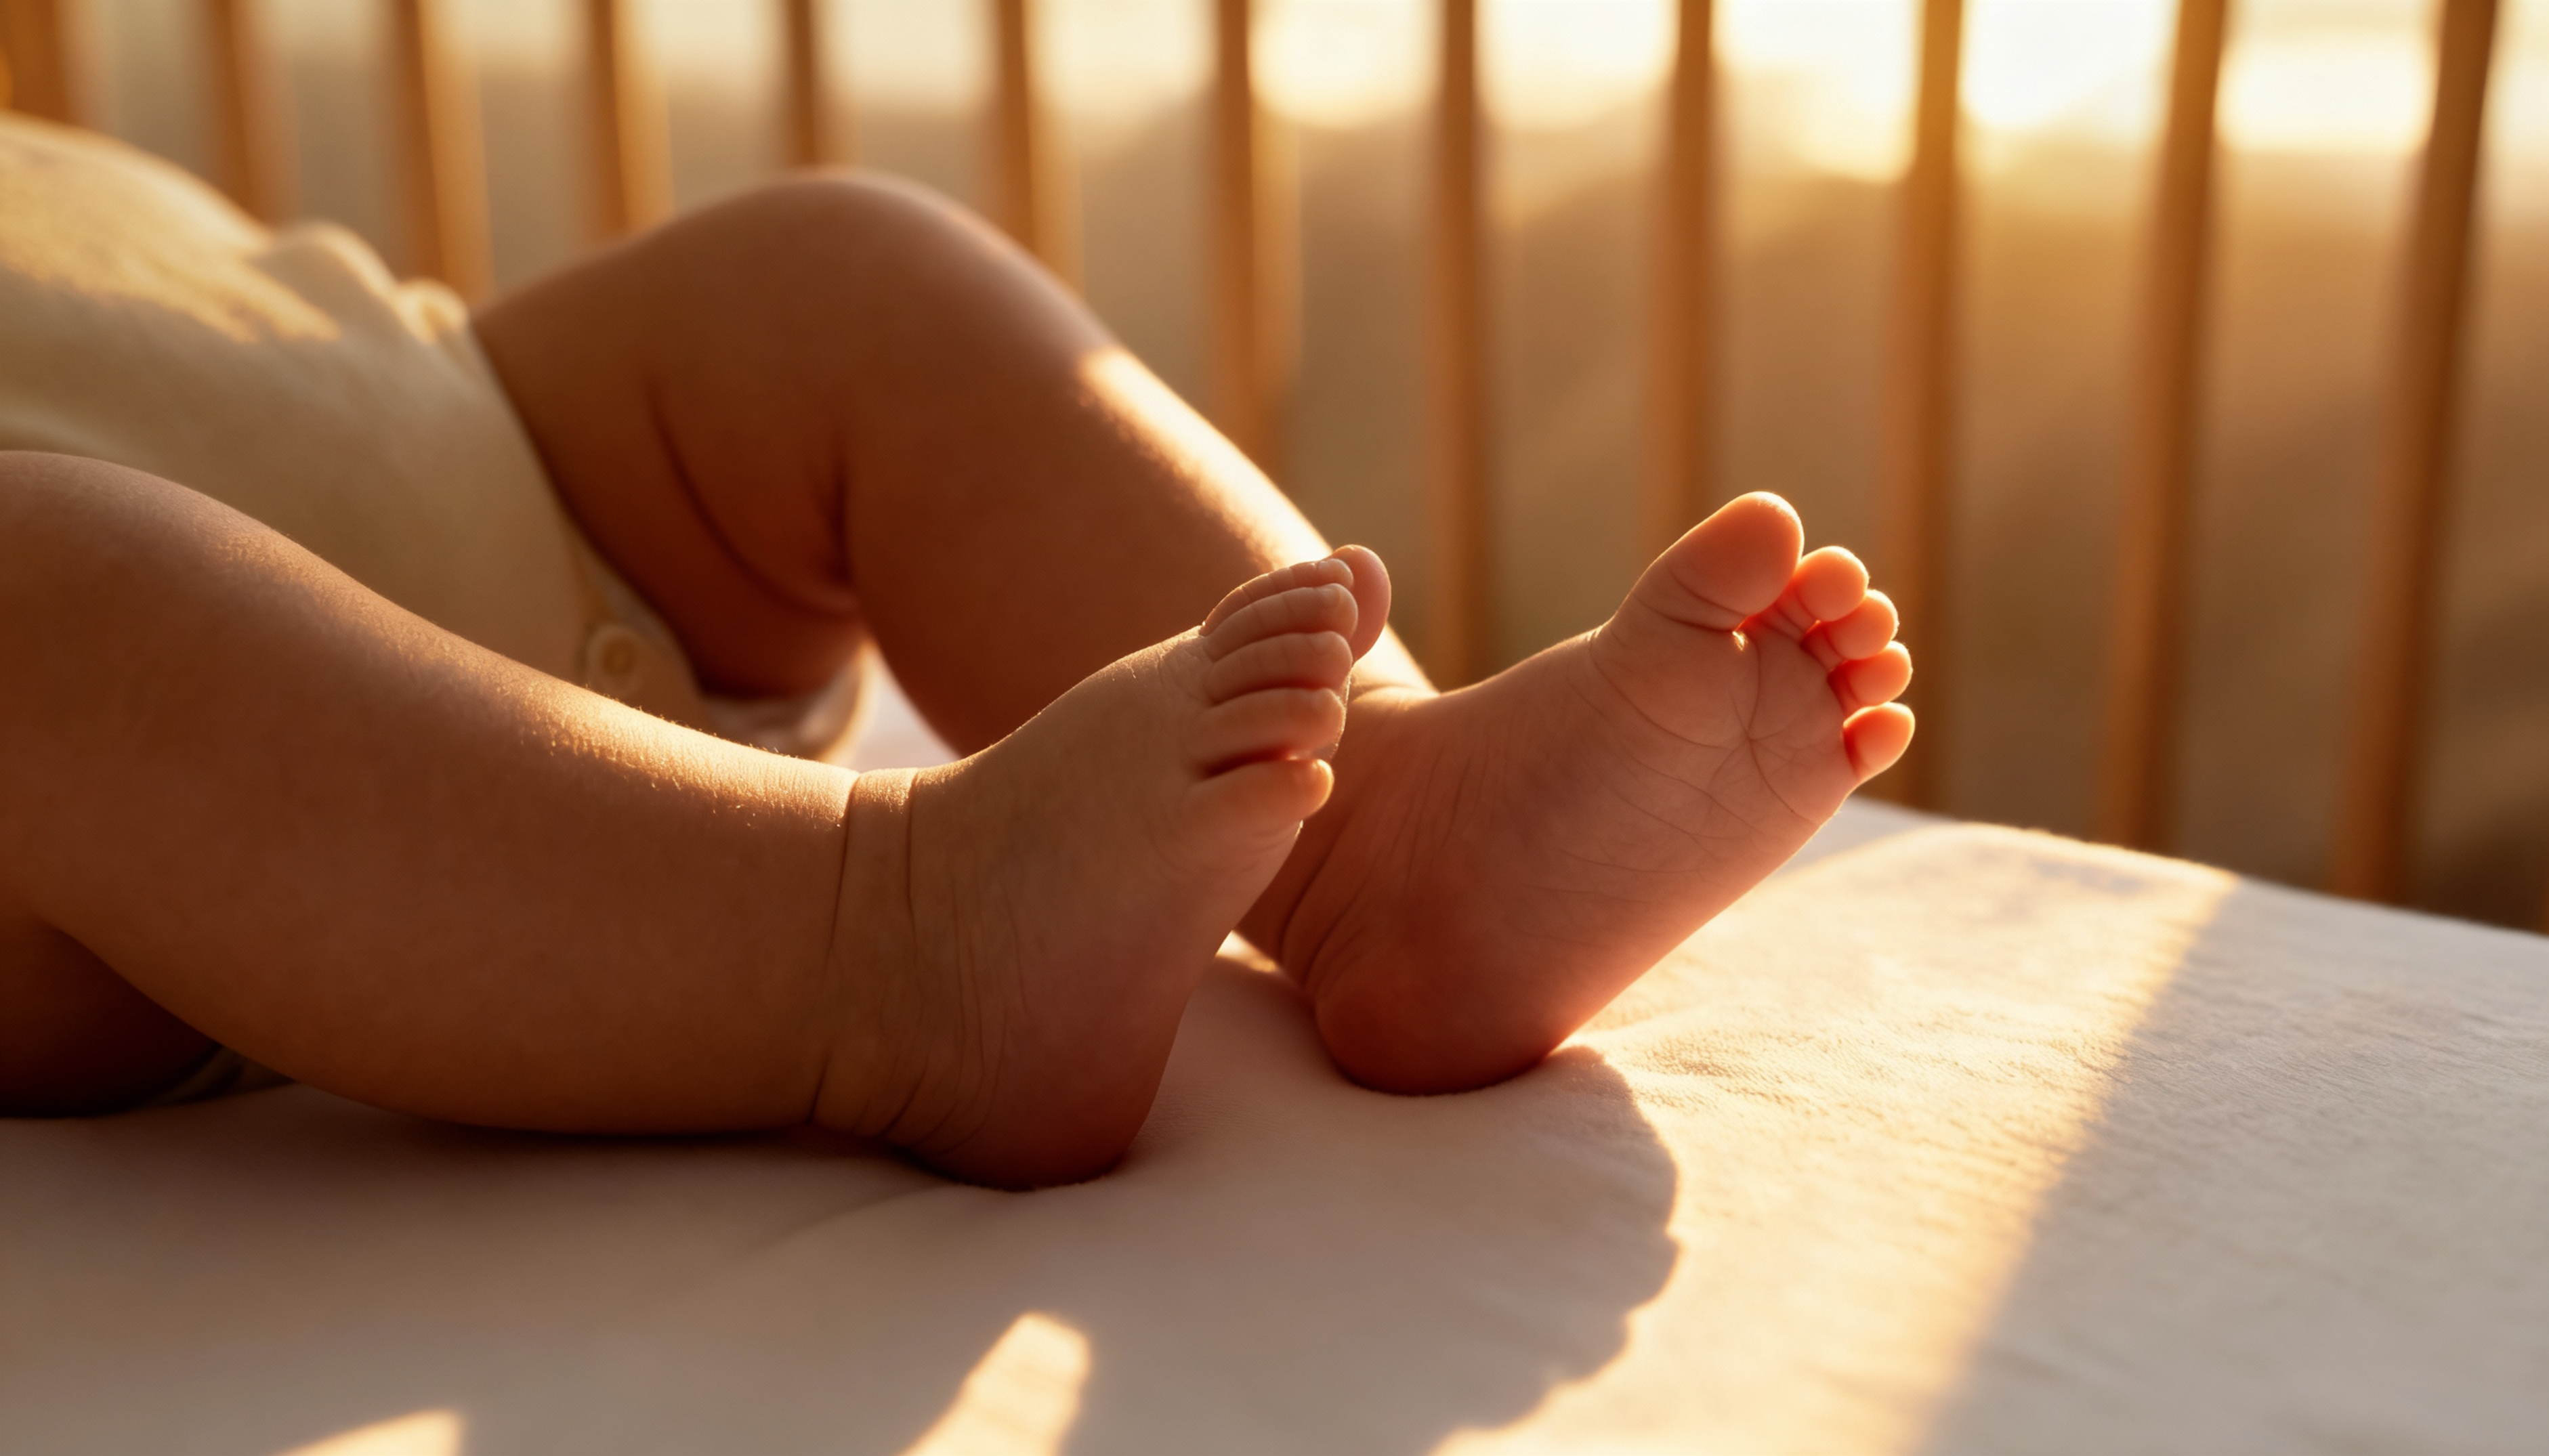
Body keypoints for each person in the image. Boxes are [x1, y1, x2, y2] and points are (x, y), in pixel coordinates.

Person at [0, 134, 1912, 1189]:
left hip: (520, 465)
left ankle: (1389, 830)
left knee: (836, 276)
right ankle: (900, 934)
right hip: (174, 838)